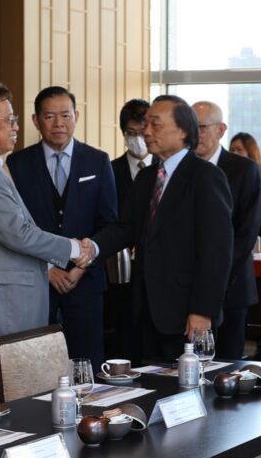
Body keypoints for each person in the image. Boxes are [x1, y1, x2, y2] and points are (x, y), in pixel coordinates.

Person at [0, 84, 93, 393]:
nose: (16, 127)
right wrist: (73, 248)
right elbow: (17, 233)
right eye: (9, 120)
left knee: (5, 403)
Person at [91, 95, 234, 364]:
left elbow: (217, 252)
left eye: (155, 125)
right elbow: (125, 228)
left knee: (185, 387)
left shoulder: (205, 176)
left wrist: (202, 310)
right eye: (146, 124)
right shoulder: (147, 177)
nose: (146, 132)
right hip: (144, 310)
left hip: (186, 313)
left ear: (182, 131)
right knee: (147, 383)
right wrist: (90, 247)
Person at [7, 86, 118, 371]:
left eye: (66, 115)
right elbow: (15, 226)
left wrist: (82, 265)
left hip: (87, 283)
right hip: (37, 285)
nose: (59, 123)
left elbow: (109, 223)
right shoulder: (17, 164)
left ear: (76, 117)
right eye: (50, 116)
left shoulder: (97, 161)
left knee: (88, 365)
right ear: (36, 120)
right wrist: (47, 268)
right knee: (36, 366)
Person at [193, 102, 261, 359]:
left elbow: (246, 232)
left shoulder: (244, 169)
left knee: (228, 363)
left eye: (201, 127)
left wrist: (215, 275)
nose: (195, 134)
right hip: (188, 287)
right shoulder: (183, 168)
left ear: (220, 130)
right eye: (190, 127)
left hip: (232, 286)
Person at [104, 98, 152, 360]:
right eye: (131, 133)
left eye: (141, 132)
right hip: (118, 272)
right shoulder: (109, 170)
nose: (137, 140)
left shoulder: (163, 169)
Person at [230, 132, 261, 230]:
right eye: (232, 150)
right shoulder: (227, 178)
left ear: (251, 152)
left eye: (239, 150)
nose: (234, 153)